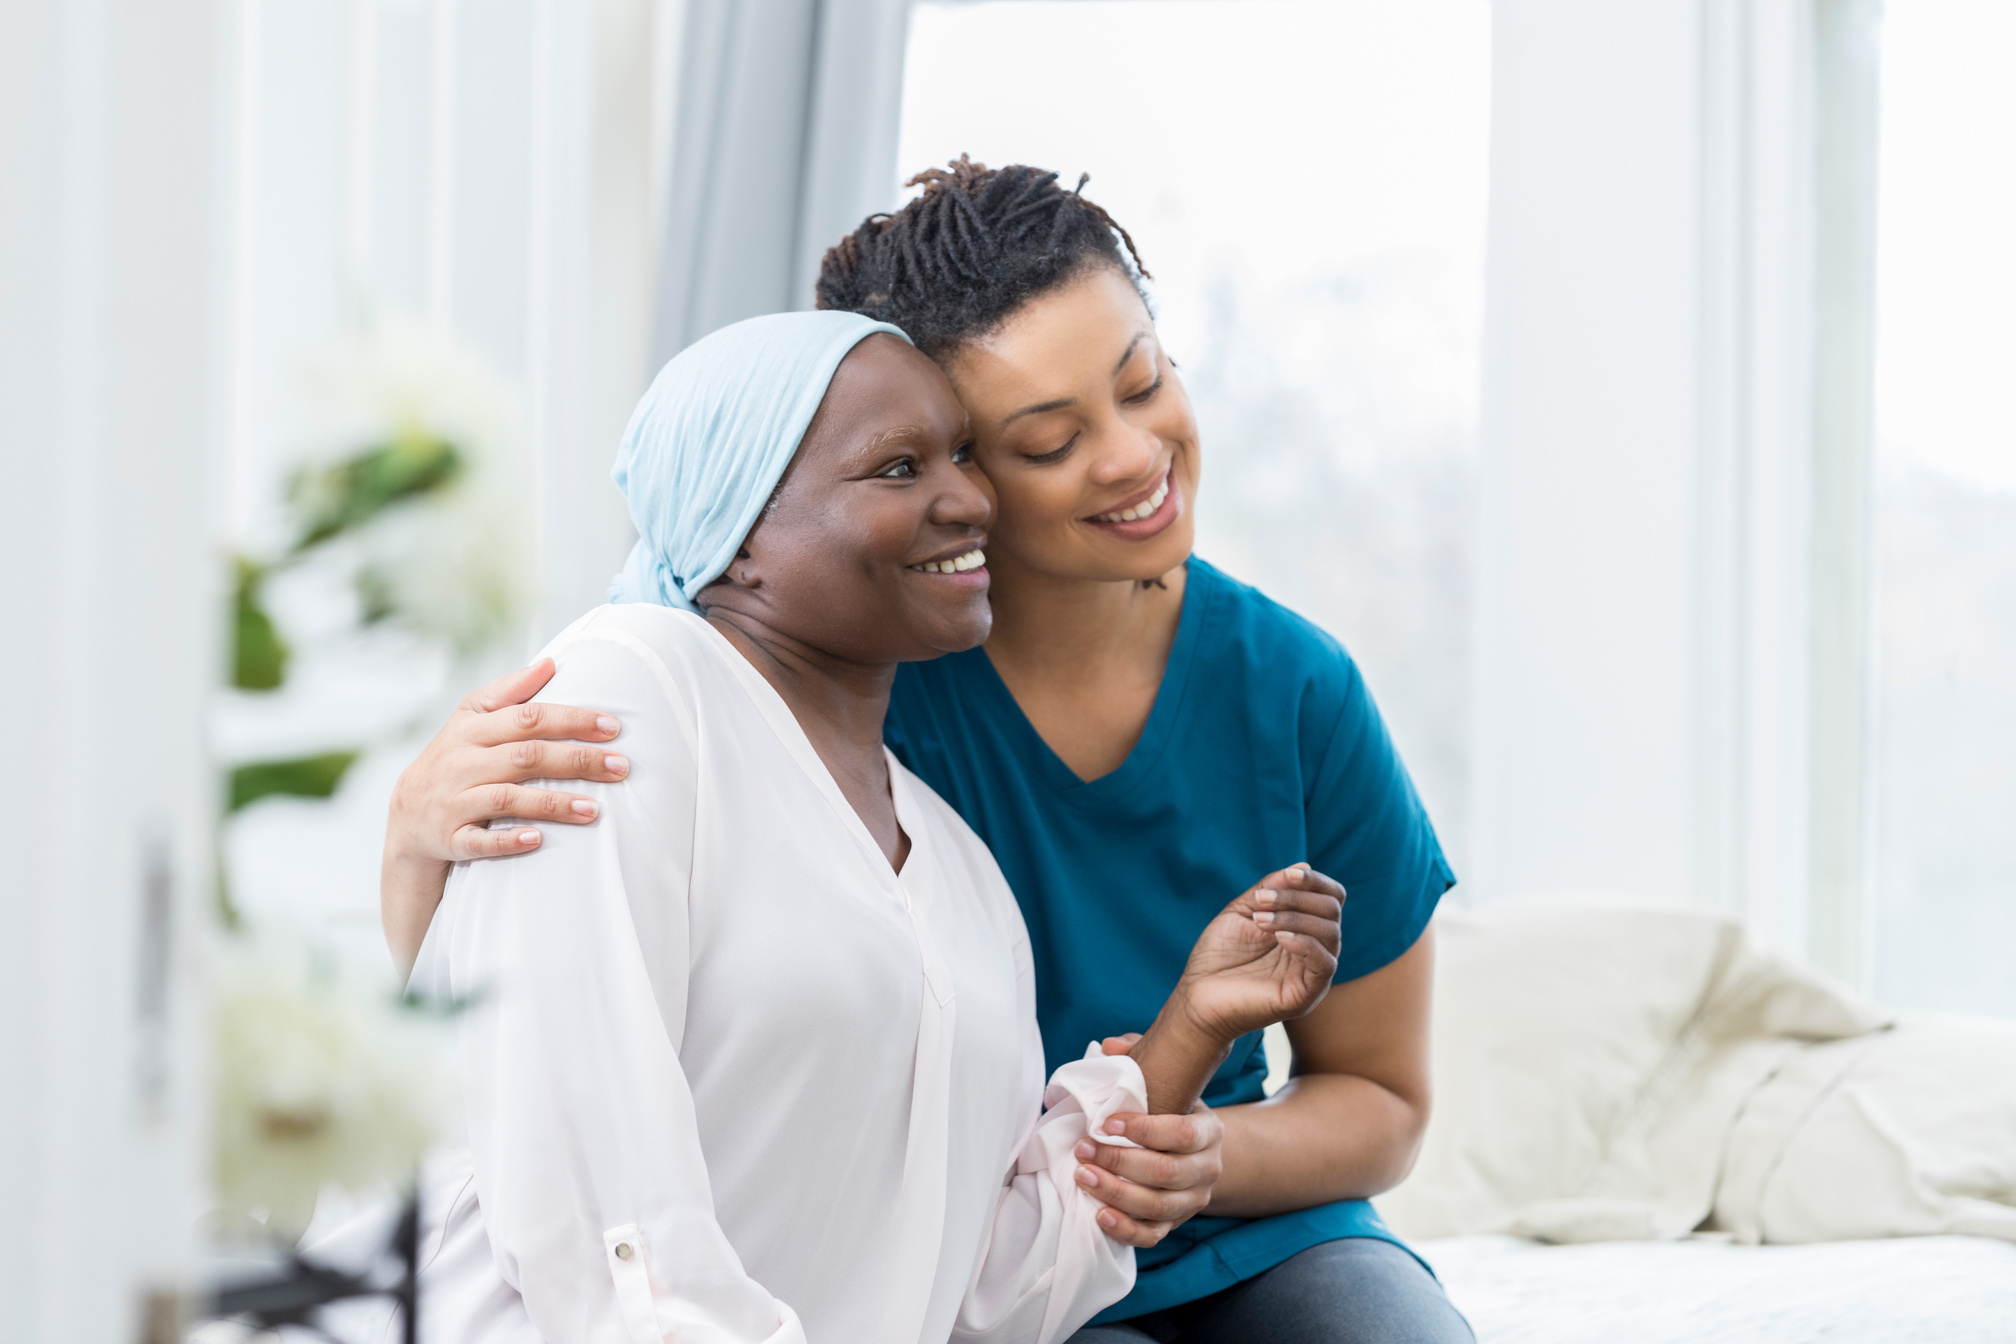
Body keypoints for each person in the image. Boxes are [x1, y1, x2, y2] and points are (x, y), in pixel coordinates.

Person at [383, 161, 1472, 1343]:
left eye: (1144, 381)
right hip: (957, 1266)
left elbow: (1383, 1095)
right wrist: (411, 849)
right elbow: (537, 1032)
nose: (1129, 457)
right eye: (1045, 441)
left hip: (1194, 1228)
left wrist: (1199, 1140)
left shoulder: (1288, 695)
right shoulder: (813, 688)